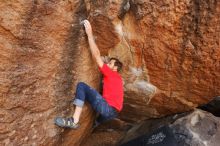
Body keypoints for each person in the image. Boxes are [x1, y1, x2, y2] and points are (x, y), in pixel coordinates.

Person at [54, 20, 124, 129]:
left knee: (81, 86)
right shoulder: (118, 79)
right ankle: (96, 123)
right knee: (102, 115)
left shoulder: (111, 73)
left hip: (107, 109)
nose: (107, 64)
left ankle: (74, 121)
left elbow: (96, 55)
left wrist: (89, 34)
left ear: (115, 68)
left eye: (110, 63)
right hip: (114, 113)